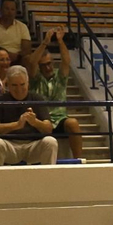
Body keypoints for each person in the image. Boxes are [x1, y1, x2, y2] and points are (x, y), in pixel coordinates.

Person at [0, 66, 58, 166]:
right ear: (8, 85)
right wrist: (16, 125)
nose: (19, 89)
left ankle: (48, 176)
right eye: (14, 85)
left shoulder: (37, 99)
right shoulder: (0, 100)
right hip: (9, 144)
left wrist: (35, 122)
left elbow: (48, 128)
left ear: (28, 83)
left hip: (33, 144)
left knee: (50, 142)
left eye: (22, 84)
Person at [29, 29, 84, 160]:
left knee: (73, 123)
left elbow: (66, 61)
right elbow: (31, 62)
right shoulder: (35, 79)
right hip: (41, 120)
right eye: (43, 65)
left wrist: (60, 41)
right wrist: (44, 42)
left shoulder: (60, 77)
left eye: (49, 64)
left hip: (59, 119)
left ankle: (78, 160)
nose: (47, 67)